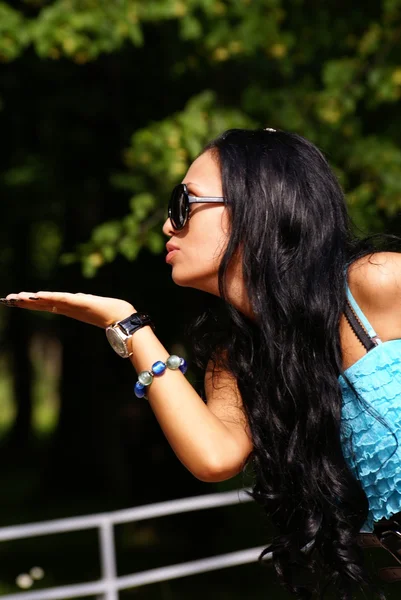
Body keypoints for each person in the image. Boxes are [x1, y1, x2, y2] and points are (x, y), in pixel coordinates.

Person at [2, 128, 401, 599]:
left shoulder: (379, 283)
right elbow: (214, 459)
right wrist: (127, 325)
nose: (169, 226)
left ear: (256, 205)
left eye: (184, 204)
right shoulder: (236, 357)